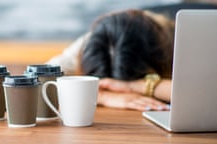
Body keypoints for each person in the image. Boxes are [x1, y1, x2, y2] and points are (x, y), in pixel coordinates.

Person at [47, 9, 175, 111]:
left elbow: (193, 94)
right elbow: (39, 83)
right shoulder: (91, 44)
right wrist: (102, 97)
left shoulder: (177, 38)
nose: (116, 90)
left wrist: (135, 86)